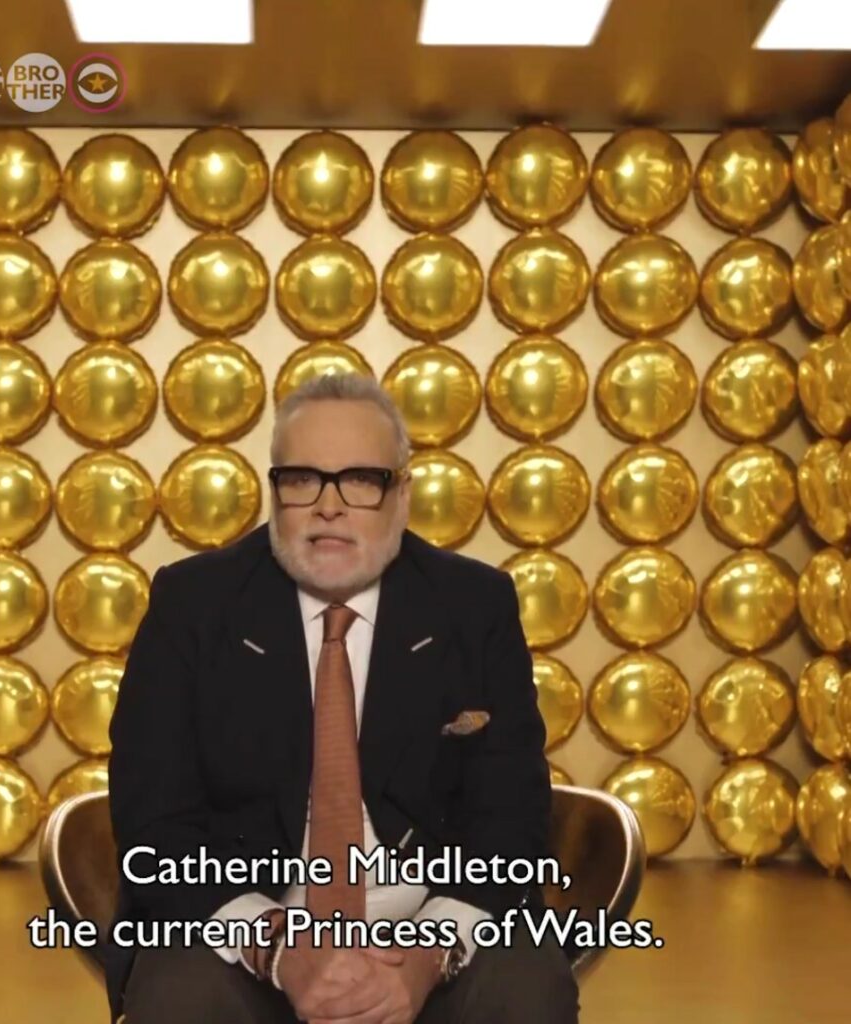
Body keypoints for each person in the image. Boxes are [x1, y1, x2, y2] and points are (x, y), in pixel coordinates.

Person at [106, 373, 579, 1023]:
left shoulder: (474, 605)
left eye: (360, 480)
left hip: (430, 921)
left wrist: (426, 955)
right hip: (248, 924)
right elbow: (155, 823)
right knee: (180, 999)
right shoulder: (192, 605)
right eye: (302, 479)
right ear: (274, 491)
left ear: (401, 495)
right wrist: (279, 948)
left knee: (524, 992)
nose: (328, 506)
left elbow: (511, 818)